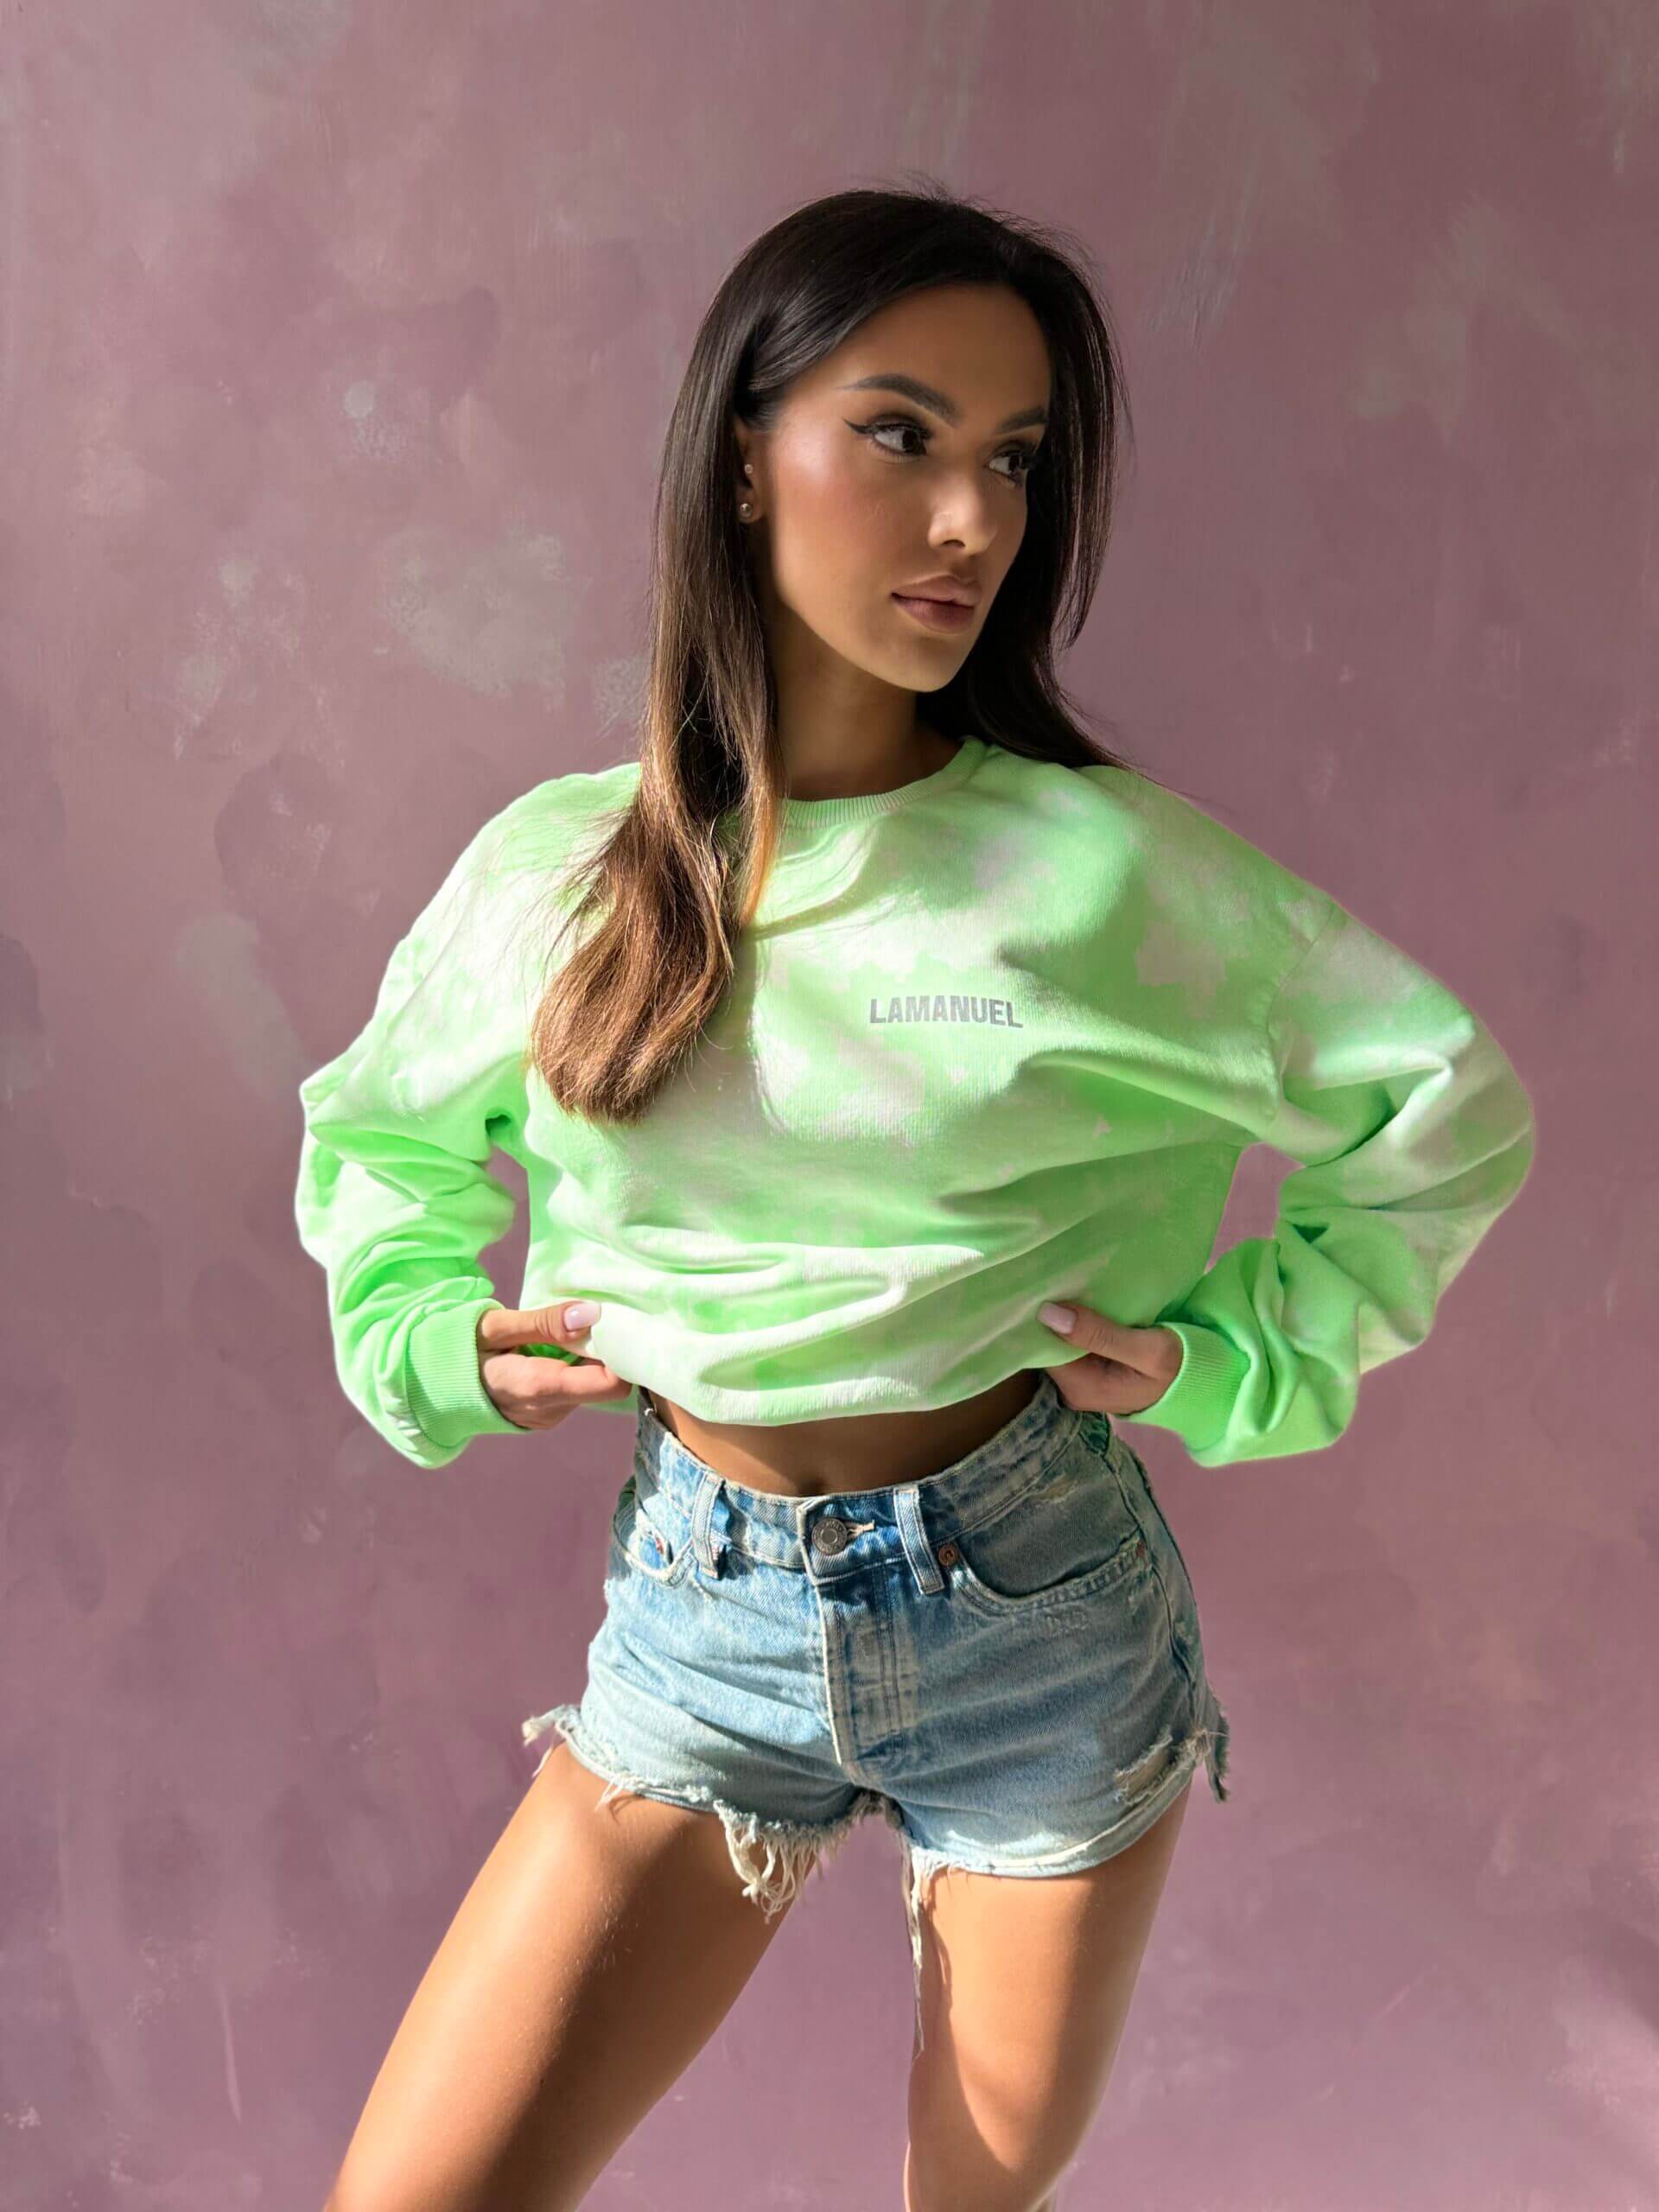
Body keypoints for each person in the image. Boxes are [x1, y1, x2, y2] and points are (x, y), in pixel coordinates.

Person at [297, 183, 1535, 2212]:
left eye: (1016, 461)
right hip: (699, 1613)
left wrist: (1240, 1359)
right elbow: (379, 1147)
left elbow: (1446, 1108)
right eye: (900, 434)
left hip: (1036, 1610)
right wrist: (429, 1335)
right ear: (742, 455)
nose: (971, 521)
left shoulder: (1100, 870)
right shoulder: (566, 870)